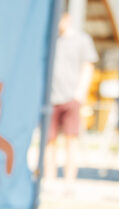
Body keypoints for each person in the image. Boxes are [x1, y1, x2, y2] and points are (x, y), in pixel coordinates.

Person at [43, 11, 98, 194]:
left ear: (67, 18)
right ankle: (49, 180)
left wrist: (79, 94)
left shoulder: (82, 40)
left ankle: (69, 183)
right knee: (48, 141)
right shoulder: (51, 40)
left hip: (71, 98)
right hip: (51, 98)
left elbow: (88, 67)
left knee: (71, 141)